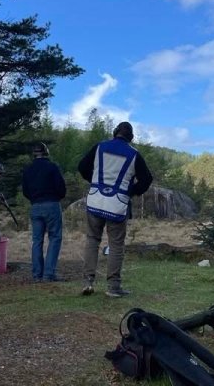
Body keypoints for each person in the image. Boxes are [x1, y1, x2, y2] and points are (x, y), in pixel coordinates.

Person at [78, 122, 153, 297]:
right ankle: (113, 287)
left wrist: (94, 182)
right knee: (116, 245)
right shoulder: (134, 154)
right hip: (117, 205)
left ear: (115, 132)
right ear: (131, 137)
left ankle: (87, 282)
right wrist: (131, 192)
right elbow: (146, 179)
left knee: (92, 240)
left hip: (95, 200)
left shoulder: (99, 147)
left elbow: (82, 167)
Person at [22, 142, 67, 282]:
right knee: (55, 238)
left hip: (35, 206)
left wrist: (34, 199)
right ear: (46, 152)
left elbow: (25, 191)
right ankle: (49, 274)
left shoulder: (28, 169)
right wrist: (56, 197)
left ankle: (37, 274)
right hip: (51, 204)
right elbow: (61, 188)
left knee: (37, 240)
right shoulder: (52, 167)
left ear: (33, 154)